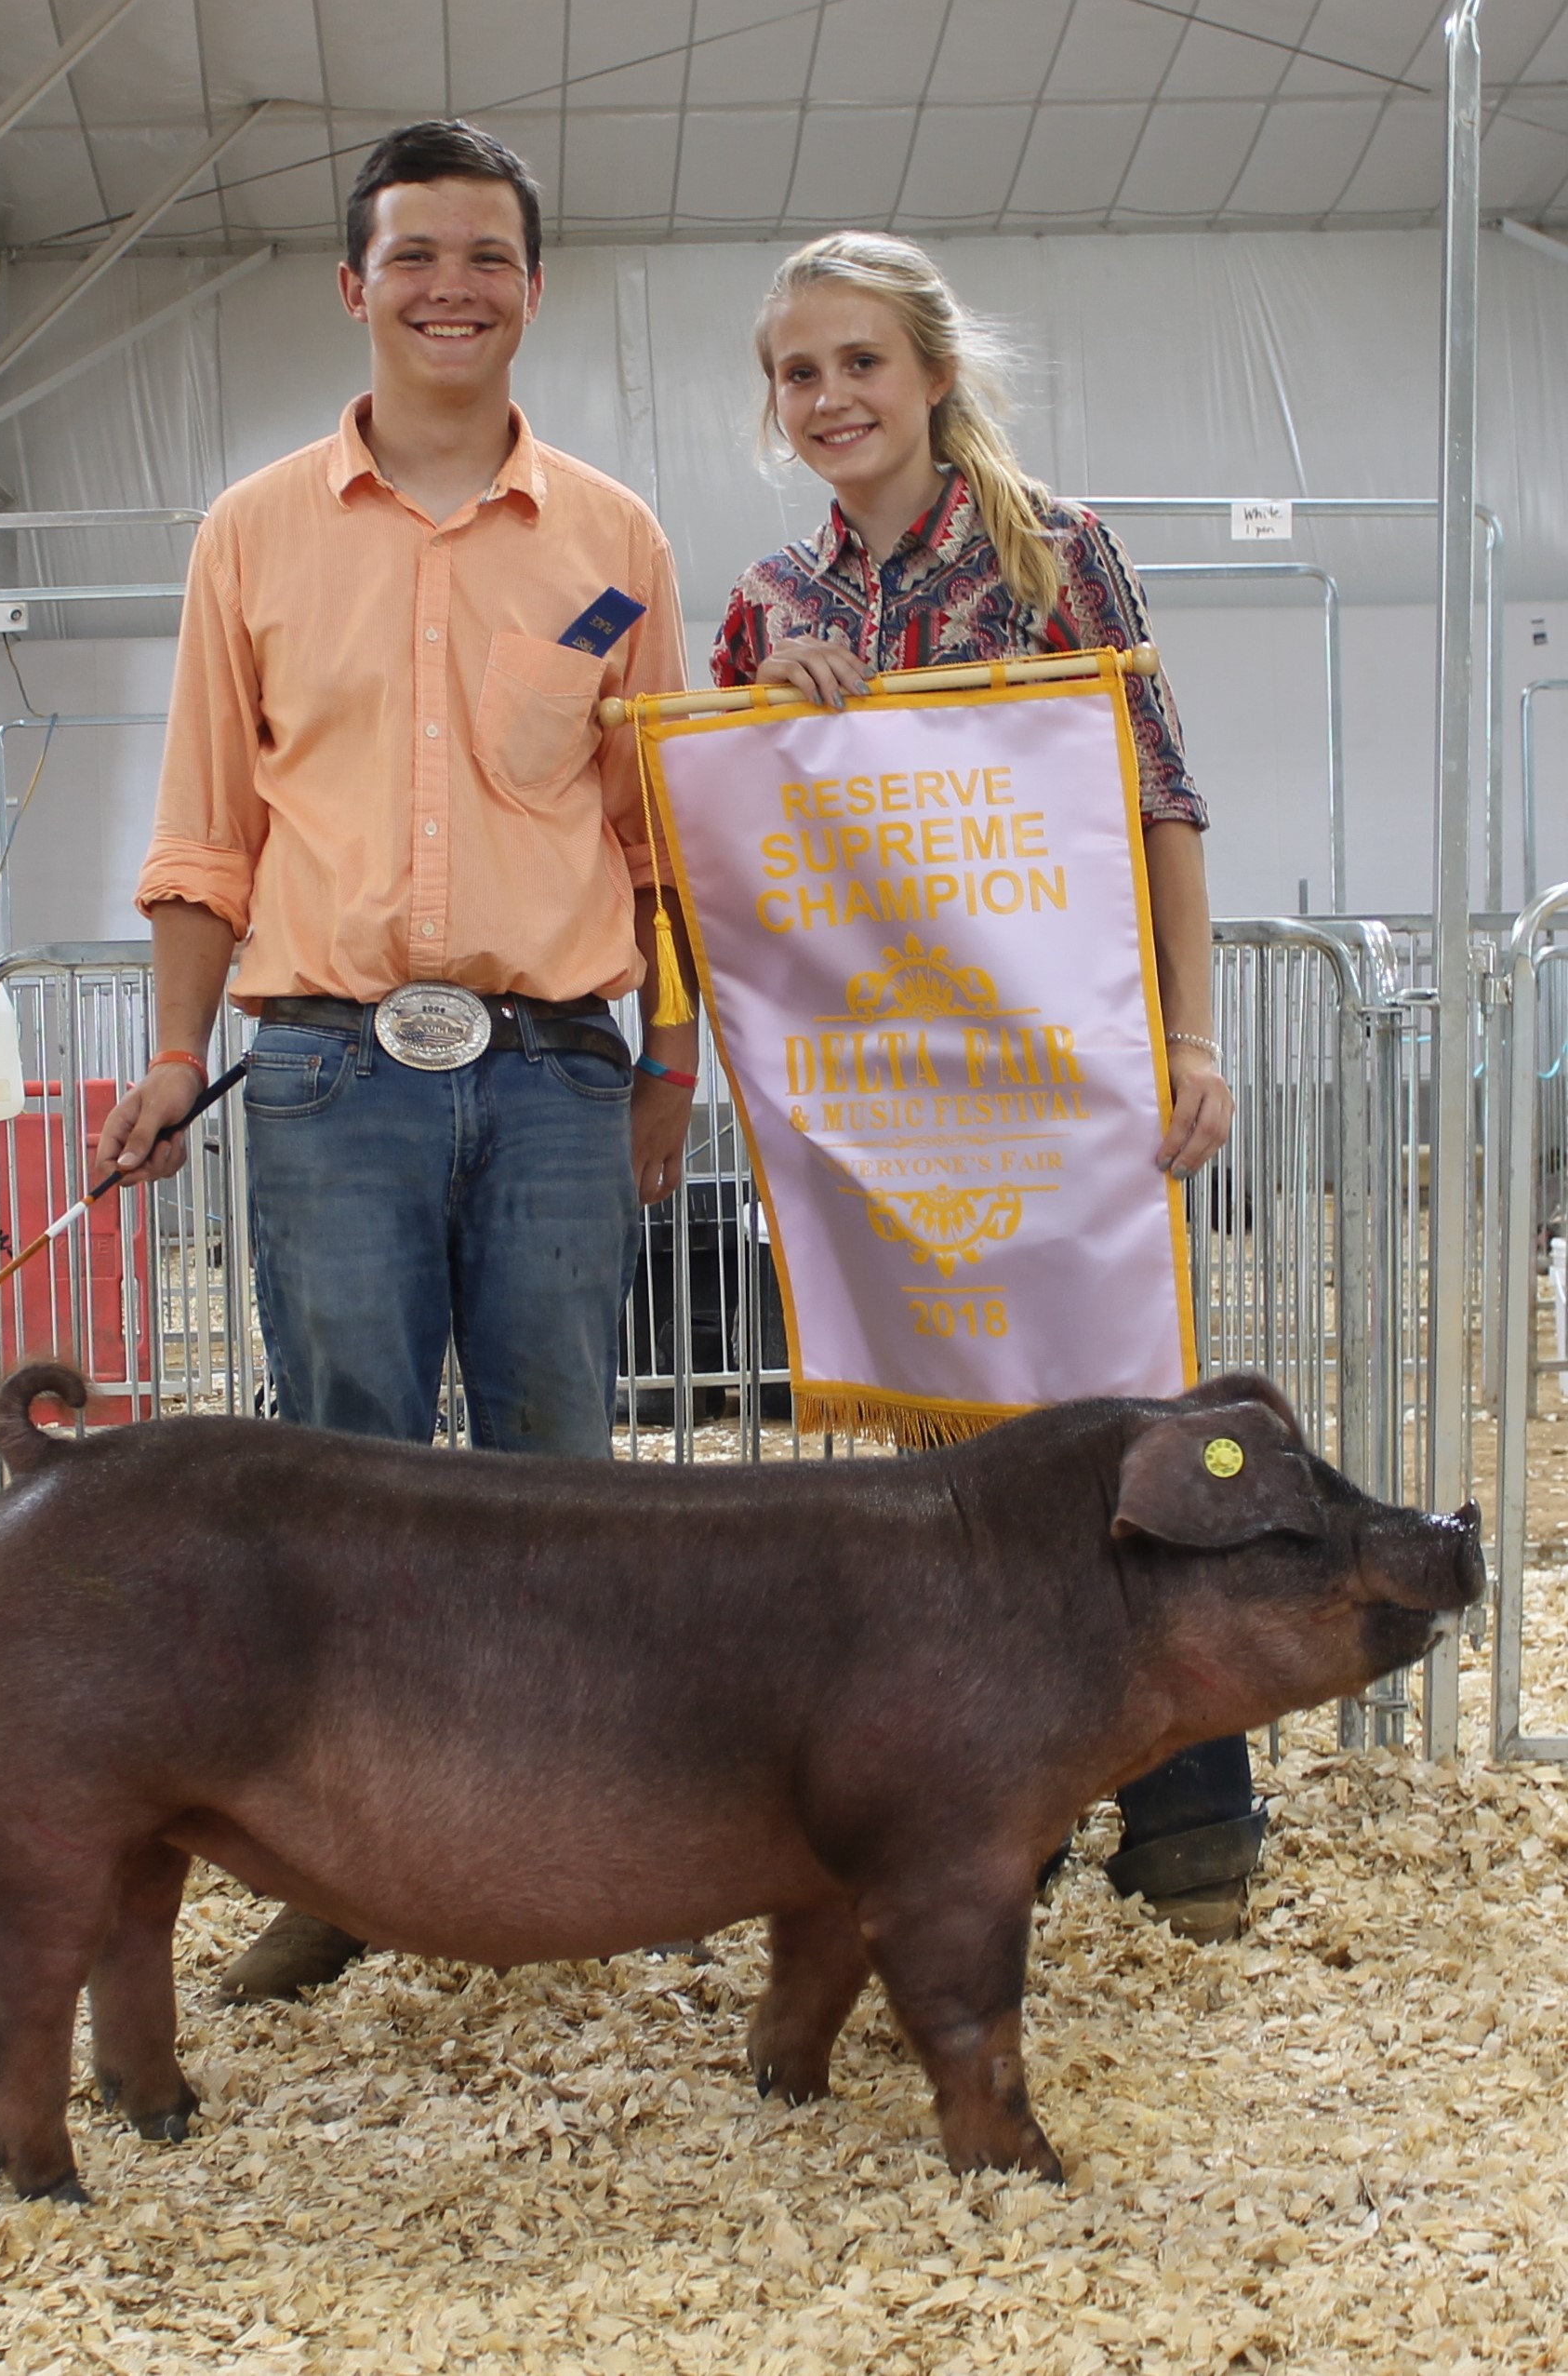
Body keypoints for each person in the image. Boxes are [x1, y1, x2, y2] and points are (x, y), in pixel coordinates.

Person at [95, 120, 698, 1998]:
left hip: (555, 1067)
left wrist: (668, 1060)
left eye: (490, 255)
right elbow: (209, 827)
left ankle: (572, 1843)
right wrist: (175, 1053)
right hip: (333, 1071)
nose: (454, 286)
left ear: (536, 287)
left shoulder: (614, 545)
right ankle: (352, 1863)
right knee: (346, 1459)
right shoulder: (251, 535)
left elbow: (664, 828)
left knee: (560, 1458)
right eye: (417, 255)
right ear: (354, 288)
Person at [713, 231, 1261, 1943]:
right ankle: (996, 1807)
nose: (830, 398)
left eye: (861, 362)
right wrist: (755, 712)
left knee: (1121, 1430)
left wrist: (1189, 1031)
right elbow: (729, 832)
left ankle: (1191, 1808)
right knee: (943, 1476)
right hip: (890, 1103)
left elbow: (1158, 796)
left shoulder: (1054, 553)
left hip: (1065, 1074)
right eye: (799, 372)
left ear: (935, 374)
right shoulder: (772, 603)